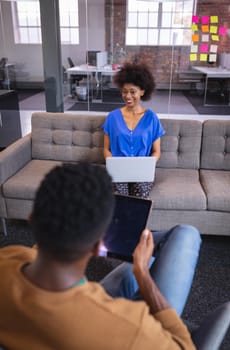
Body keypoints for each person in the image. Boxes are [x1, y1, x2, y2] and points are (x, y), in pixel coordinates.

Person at [0, 162, 201, 349]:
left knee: (155, 247)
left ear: (32, 220)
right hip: (97, 320)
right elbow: (184, 346)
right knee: (185, 234)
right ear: (99, 246)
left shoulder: (9, 258)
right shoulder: (133, 328)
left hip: (75, 308)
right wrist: (142, 274)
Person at [102, 61, 165, 198]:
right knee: (119, 195)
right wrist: (113, 165)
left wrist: (146, 165)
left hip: (142, 172)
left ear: (142, 91)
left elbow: (156, 151)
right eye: (124, 92)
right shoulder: (112, 117)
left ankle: (137, 219)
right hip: (118, 170)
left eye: (132, 92)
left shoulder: (151, 118)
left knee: (140, 193)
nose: (128, 96)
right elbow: (106, 149)